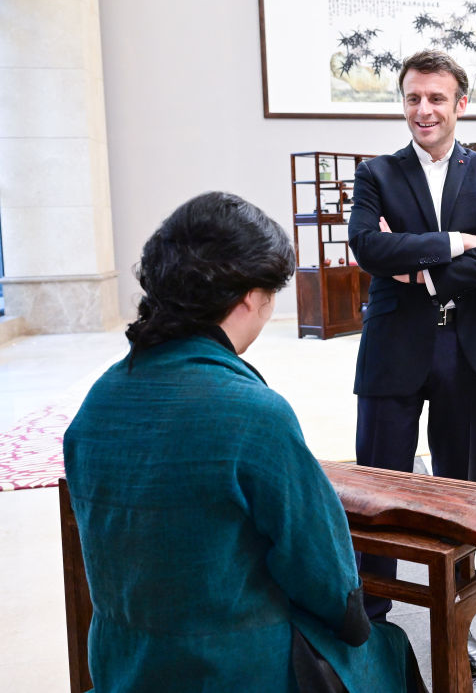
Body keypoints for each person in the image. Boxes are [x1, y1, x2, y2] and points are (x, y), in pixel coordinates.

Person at [64, 192, 422, 693]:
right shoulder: (253, 413)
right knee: (388, 645)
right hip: (234, 670)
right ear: (251, 297)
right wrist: (355, 622)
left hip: (125, 666)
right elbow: (327, 581)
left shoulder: (98, 401)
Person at [347, 49, 476, 678]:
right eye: (413, 98)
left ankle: (458, 619)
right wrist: (452, 244)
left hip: (467, 348)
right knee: (378, 487)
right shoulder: (376, 173)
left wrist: (423, 272)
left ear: (460, 104)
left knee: (458, 489)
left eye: (437, 98)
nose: (424, 110)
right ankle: (370, 620)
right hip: (393, 345)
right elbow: (367, 246)